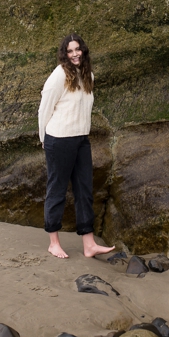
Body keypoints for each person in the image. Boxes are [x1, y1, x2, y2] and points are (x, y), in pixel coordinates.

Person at [38, 33, 115, 259]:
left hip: (81, 139)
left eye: (77, 50)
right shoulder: (58, 76)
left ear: (83, 51)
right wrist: (43, 137)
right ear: (65, 54)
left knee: (84, 190)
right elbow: (44, 108)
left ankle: (89, 244)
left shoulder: (87, 75)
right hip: (59, 139)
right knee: (58, 190)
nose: (74, 54)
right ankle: (53, 242)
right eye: (70, 51)